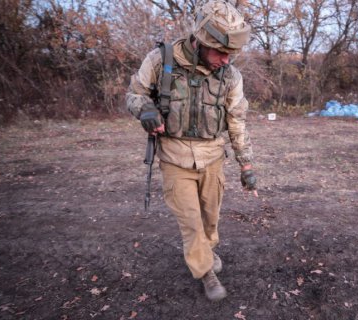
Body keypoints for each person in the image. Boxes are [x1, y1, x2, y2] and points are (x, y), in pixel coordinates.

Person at [126, 0, 257, 301]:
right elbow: (135, 93)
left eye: (231, 54)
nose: (226, 60)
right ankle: (204, 271)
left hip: (212, 158)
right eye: (221, 52)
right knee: (191, 221)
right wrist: (145, 109)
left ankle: (207, 251)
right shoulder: (161, 60)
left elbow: (237, 122)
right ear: (199, 41)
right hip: (174, 158)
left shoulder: (231, 76)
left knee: (210, 219)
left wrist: (247, 165)